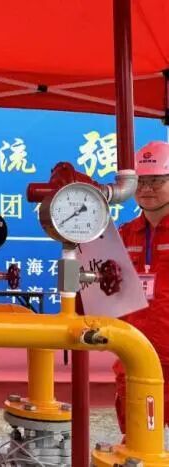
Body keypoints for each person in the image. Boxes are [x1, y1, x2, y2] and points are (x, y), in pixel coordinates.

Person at [115, 141, 169, 435]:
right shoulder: (125, 234)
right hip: (134, 355)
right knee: (136, 441)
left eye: (157, 181)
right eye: (141, 181)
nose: (147, 189)